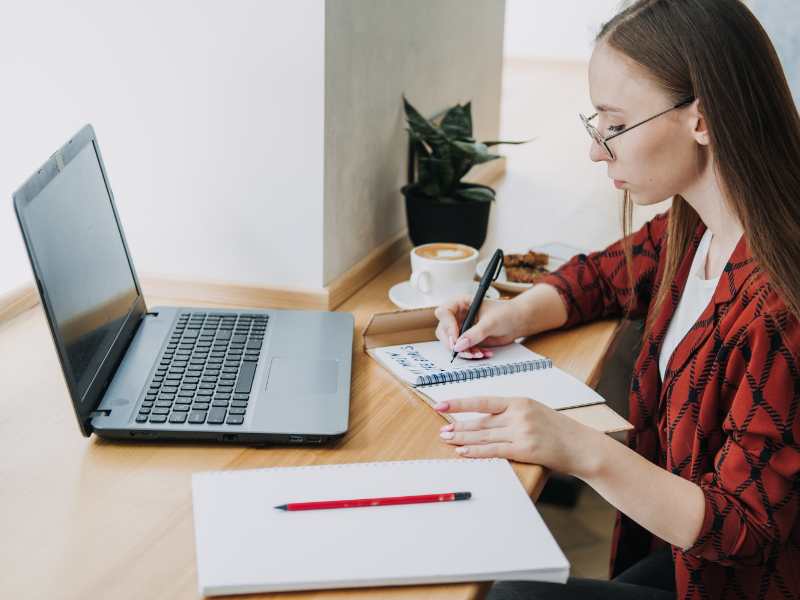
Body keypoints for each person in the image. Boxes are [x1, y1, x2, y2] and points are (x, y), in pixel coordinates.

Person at [432, 1, 800, 598]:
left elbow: (744, 528)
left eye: (615, 123)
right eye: (595, 122)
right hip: (680, 558)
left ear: (701, 120)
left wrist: (578, 449)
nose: (597, 149)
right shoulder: (697, 221)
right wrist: (513, 314)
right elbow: (606, 277)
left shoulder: (779, 306)